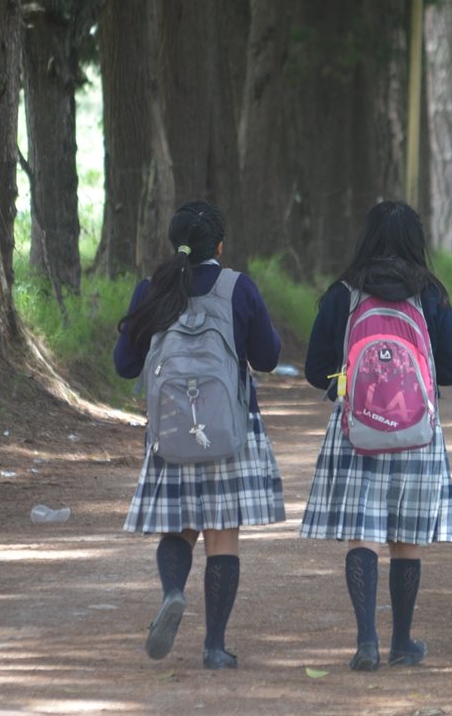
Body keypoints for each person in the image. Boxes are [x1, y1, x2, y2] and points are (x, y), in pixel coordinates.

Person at [301, 201, 452, 672]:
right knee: (406, 539)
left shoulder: (343, 295)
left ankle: (365, 642)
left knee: (363, 534)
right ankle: (402, 642)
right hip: (417, 432)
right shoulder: (430, 296)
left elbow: (316, 370)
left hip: (357, 431)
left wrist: (355, 383)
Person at [115, 201, 284, 669]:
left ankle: (173, 592)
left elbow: (125, 364)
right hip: (229, 428)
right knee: (222, 535)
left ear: (175, 244)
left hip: (169, 432)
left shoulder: (152, 289)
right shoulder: (237, 287)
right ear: (221, 245)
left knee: (180, 527)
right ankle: (214, 646)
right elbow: (267, 358)